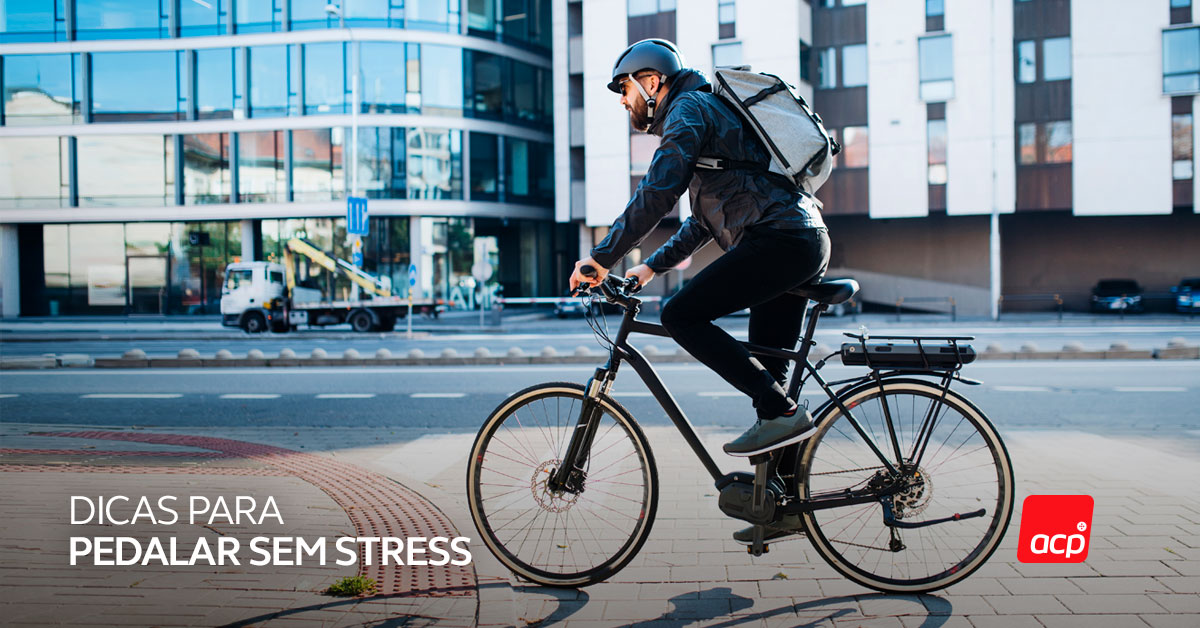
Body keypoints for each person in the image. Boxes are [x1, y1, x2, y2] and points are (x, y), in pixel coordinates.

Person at [568, 39, 832, 544]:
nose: (624, 101)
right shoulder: (707, 113)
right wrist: (645, 269)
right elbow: (703, 220)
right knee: (769, 377)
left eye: (624, 88)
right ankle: (782, 507)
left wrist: (601, 257)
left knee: (681, 315)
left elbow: (658, 189)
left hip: (780, 240)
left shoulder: (688, 109)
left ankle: (783, 415)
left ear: (651, 81)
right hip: (795, 239)